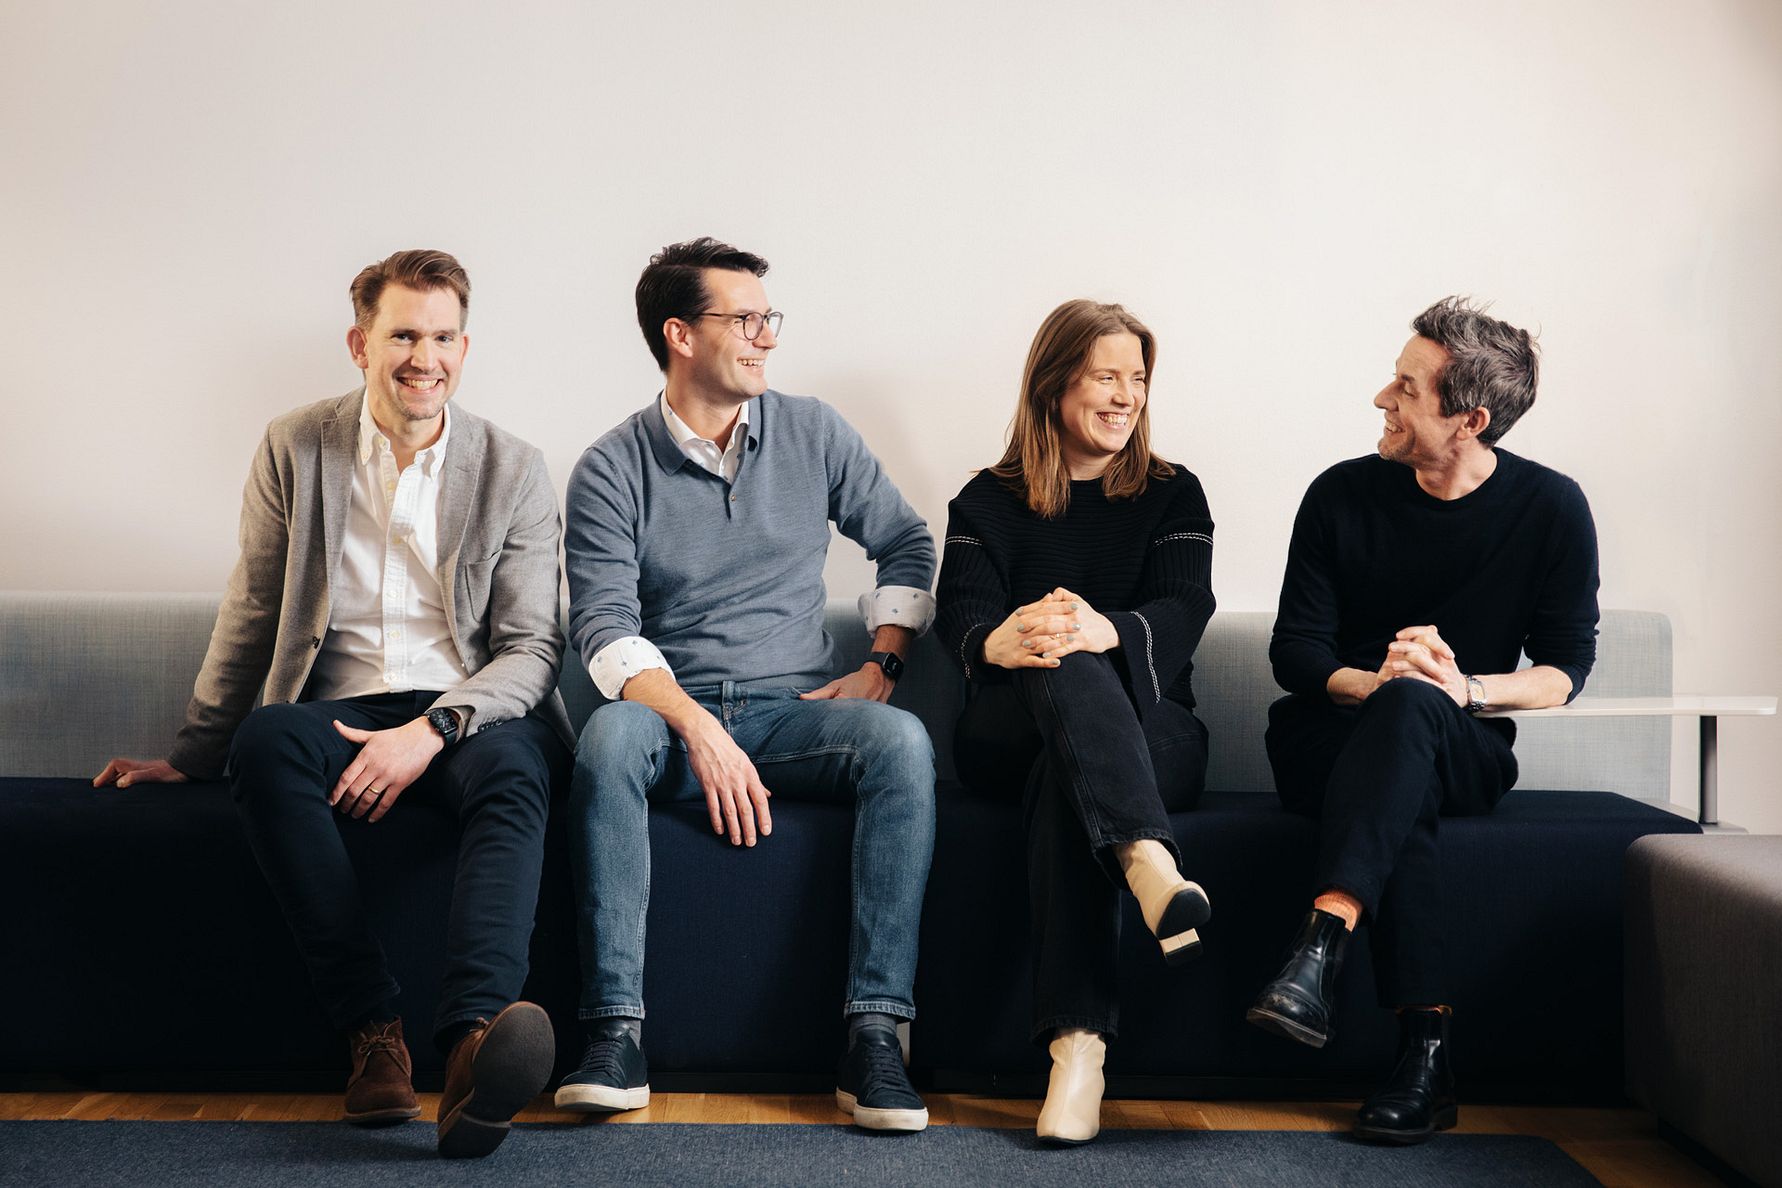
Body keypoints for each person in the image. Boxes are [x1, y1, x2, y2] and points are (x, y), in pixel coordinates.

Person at [94, 249, 573, 1160]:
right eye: (403, 336)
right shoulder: (296, 445)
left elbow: (532, 648)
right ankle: (372, 1034)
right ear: (361, 344)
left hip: (469, 712)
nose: (424, 358)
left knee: (519, 769)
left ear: (465, 349)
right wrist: (194, 753)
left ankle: (474, 1043)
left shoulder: (513, 467)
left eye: (443, 338)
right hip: (340, 710)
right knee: (265, 741)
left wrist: (432, 729)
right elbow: (253, 609)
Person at [557, 237, 937, 1132]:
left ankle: (875, 1034)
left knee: (902, 743)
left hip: (794, 713)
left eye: (771, 318)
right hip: (668, 716)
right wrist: (697, 727)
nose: (768, 337)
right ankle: (614, 1033)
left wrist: (881, 663)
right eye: (746, 319)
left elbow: (908, 542)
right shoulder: (610, 467)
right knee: (607, 739)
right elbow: (604, 628)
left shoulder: (813, 432)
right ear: (680, 335)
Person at [1247, 297, 1599, 1144]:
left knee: (1415, 714)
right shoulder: (1339, 494)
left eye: (1407, 389)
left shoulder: (1551, 508)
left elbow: (1563, 672)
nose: (1382, 398)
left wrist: (1461, 689)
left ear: (1469, 421)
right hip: (1326, 740)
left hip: (1461, 744)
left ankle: (1322, 944)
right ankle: (1425, 1060)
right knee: (1401, 737)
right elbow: (1296, 652)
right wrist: (1380, 683)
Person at [934, 299, 1217, 1144]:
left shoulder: (1172, 494)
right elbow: (964, 618)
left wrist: (1103, 630)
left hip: (1155, 732)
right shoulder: (985, 500)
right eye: (1105, 377)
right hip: (1006, 730)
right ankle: (1144, 857)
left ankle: (1077, 1055)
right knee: (1062, 657)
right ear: (1054, 385)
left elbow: (1185, 606)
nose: (1127, 396)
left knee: (1070, 764)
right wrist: (1001, 639)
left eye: (1138, 378)